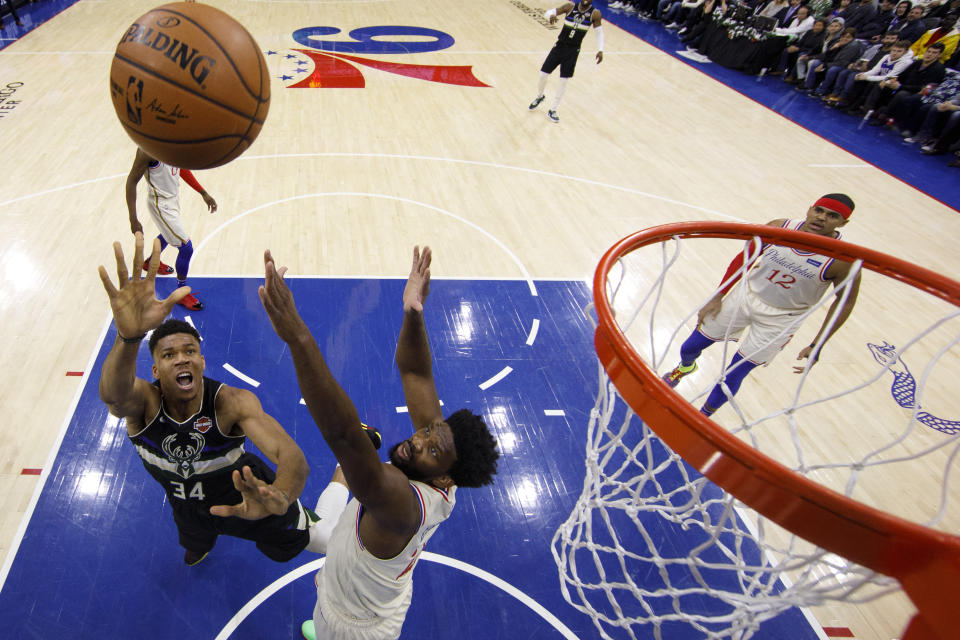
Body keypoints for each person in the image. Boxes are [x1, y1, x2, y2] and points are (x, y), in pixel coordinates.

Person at [252, 245, 500, 640]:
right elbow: (416, 373)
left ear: (447, 480)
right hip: (363, 590)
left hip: (355, 628)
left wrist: (298, 337)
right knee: (331, 560)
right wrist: (413, 312)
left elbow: (345, 436)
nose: (418, 440)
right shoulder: (441, 464)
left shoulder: (400, 502)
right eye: (428, 433)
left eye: (432, 448)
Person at [97, 233, 332, 566]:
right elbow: (113, 396)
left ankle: (345, 470)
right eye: (169, 354)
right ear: (155, 369)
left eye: (190, 351)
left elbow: (291, 456)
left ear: (202, 361)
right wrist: (128, 337)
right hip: (187, 505)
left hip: (248, 496)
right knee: (194, 539)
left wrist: (280, 494)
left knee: (316, 541)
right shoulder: (145, 404)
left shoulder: (230, 403)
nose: (181, 358)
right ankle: (200, 544)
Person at [662, 194, 861, 417]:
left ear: (843, 223)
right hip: (747, 296)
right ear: (810, 209)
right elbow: (744, 257)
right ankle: (685, 367)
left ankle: (703, 416)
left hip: (782, 319)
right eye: (819, 210)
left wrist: (818, 343)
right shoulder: (779, 227)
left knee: (733, 374)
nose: (822, 218)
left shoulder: (843, 260)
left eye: (832, 216)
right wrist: (718, 295)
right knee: (691, 346)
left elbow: (845, 302)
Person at [125, 148, 218, 311]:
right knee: (186, 248)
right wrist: (133, 218)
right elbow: (131, 181)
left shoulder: (172, 141)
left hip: (173, 200)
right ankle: (181, 292)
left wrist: (203, 192)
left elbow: (180, 168)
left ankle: (150, 262)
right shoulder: (146, 151)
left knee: (169, 233)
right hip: (161, 205)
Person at [528, 0, 604, 123]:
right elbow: (549, 12)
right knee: (543, 74)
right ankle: (540, 96)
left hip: (573, 51)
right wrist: (550, 16)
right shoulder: (569, 6)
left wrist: (600, 49)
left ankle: (553, 109)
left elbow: (599, 33)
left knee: (563, 80)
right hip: (559, 46)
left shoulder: (595, 14)